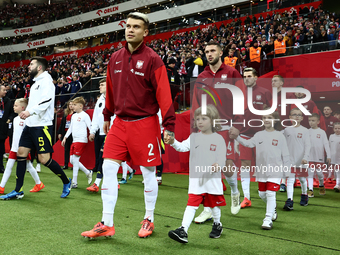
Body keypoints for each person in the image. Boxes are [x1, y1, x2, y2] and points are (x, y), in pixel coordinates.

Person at [81, 12, 176, 239]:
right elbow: (111, 91)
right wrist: (106, 114)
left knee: (148, 172)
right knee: (108, 169)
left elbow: (164, 94)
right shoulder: (115, 58)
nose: (130, 30)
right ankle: (107, 223)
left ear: (146, 32)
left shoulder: (153, 59)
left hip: (145, 124)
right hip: (119, 124)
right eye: (128, 26)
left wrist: (169, 126)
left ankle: (149, 218)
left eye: (136, 26)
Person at [0, 56, 72, 200]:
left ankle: (66, 181)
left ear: (39, 67)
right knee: (21, 154)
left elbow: (47, 101)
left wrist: (29, 111)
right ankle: (18, 190)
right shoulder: (35, 83)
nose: (28, 66)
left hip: (42, 126)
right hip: (30, 125)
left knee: (44, 159)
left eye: (31, 64)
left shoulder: (46, 82)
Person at [191, 41, 243, 223]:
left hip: (227, 126)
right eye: (206, 51)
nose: (209, 54)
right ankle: (208, 209)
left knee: (227, 167)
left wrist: (238, 124)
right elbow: (196, 104)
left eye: (213, 50)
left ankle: (235, 192)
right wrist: (196, 126)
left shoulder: (232, 73)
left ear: (221, 53)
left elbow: (241, 99)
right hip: (207, 128)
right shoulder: (202, 76)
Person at [167, 105, 226, 243]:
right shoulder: (193, 137)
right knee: (191, 205)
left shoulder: (218, 139)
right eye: (197, 119)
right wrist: (173, 142)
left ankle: (217, 224)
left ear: (212, 121)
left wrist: (218, 165)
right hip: (196, 181)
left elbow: (222, 158)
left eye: (204, 118)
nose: (199, 121)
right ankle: (183, 230)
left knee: (214, 205)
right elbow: (182, 147)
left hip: (212, 181)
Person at [231, 110, 290, 230]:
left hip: (275, 170)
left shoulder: (280, 136)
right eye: (264, 117)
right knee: (262, 194)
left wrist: (287, 170)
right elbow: (248, 144)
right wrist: (237, 137)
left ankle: (267, 219)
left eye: (269, 117)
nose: (266, 119)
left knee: (270, 193)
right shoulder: (258, 135)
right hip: (261, 170)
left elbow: (286, 154)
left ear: (275, 120)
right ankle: (272, 209)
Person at [237, 67, 272, 209]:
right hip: (244, 135)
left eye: (250, 76)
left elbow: (273, 114)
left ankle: (265, 193)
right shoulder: (239, 94)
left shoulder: (265, 92)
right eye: (245, 76)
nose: (247, 78)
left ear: (256, 77)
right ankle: (246, 198)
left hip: (261, 136)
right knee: (245, 166)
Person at [0, 98, 44, 194]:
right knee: (10, 166)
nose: (14, 107)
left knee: (28, 166)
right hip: (14, 148)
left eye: (16, 106)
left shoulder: (28, 120)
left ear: (23, 107)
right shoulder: (15, 119)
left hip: (23, 149)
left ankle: (39, 183)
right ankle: (1, 187)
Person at [283, 108, 311, 210]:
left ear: (302, 118)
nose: (297, 116)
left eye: (299, 115)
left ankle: (304, 195)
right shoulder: (286, 130)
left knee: (302, 179)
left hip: (301, 160)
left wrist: (305, 157)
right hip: (289, 160)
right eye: (294, 114)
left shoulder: (305, 130)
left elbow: (308, 145)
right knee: (290, 180)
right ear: (290, 117)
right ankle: (289, 201)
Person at [62, 97, 92, 188]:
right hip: (74, 140)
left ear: (81, 106)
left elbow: (90, 126)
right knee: (72, 160)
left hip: (81, 140)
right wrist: (65, 137)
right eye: (72, 104)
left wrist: (92, 133)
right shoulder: (73, 116)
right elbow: (70, 128)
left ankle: (74, 182)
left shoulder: (85, 115)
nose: (73, 106)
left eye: (75, 105)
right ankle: (88, 172)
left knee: (75, 160)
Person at [307, 113, 330, 197]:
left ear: (318, 121)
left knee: (319, 173)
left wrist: (329, 155)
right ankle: (310, 189)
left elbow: (326, 144)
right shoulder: (307, 132)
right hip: (309, 156)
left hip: (319, 157)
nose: (311, 122)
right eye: (309, 120)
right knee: (310, 173)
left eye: (313, 120)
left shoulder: (322, 132)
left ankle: (321, 185)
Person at [89, 79, 106, 174]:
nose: (100, 87)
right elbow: (95, 117)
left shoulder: (115, 98)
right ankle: (98, 168)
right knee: (98, 153)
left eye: (102, 85)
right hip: (100, 131)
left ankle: (101, 172)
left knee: (103, 155)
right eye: (100, 85)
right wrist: (92, 131)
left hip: (111, 131)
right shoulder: (100, 100)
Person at [0, 84, 14, 173]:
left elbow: (12, 113)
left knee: (1, 148)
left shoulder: (8, 101)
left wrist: (9, 119)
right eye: (4, 90)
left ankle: (0, 166)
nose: (5, 91)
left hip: (2, 128)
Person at [58, 100, 74, 169]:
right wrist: (60, 133)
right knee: (66, 149)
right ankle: (66, 164)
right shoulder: (65, 113)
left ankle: (74, 164)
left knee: (73, 149)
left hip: (73, 133)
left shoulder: (76, 113)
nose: (71, 106)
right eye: (69, 104)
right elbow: (62, 124)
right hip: (65, 132)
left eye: (72, 104)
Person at [330, 123, 340, 191]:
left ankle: (337, 184)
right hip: (332, 156)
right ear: (333, 129)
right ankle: (337, 183)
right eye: (336, 128)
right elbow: (329, 146)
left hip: (339, 157)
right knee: (334, 171)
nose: (337, 130)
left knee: (338, 170)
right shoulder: (331, 136)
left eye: (339, 128)